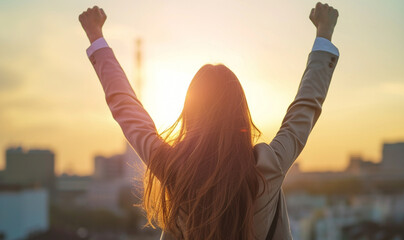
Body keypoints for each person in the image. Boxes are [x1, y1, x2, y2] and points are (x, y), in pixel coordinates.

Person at [79, 2, 339, 239]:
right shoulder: (266, 168)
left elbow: (128, 112)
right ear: (240, 113)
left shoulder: (175, 169)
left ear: (191, 114)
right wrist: (323, 35)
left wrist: (97, 39)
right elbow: (304, 108)